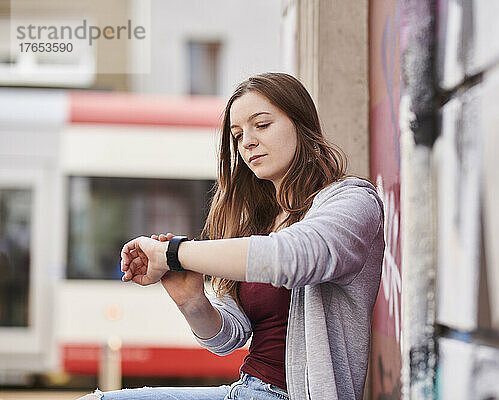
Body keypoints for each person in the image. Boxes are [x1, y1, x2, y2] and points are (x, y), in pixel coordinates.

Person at [79, 72, 385, 400]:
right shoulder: (260, 221)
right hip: (245, 391)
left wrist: (174, 253)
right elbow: (226, 339)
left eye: (262, 125)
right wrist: (192, 300)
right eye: (238, 135)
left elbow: (293, 258)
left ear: (301, 124)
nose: (247, 142)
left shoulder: (352, 201)